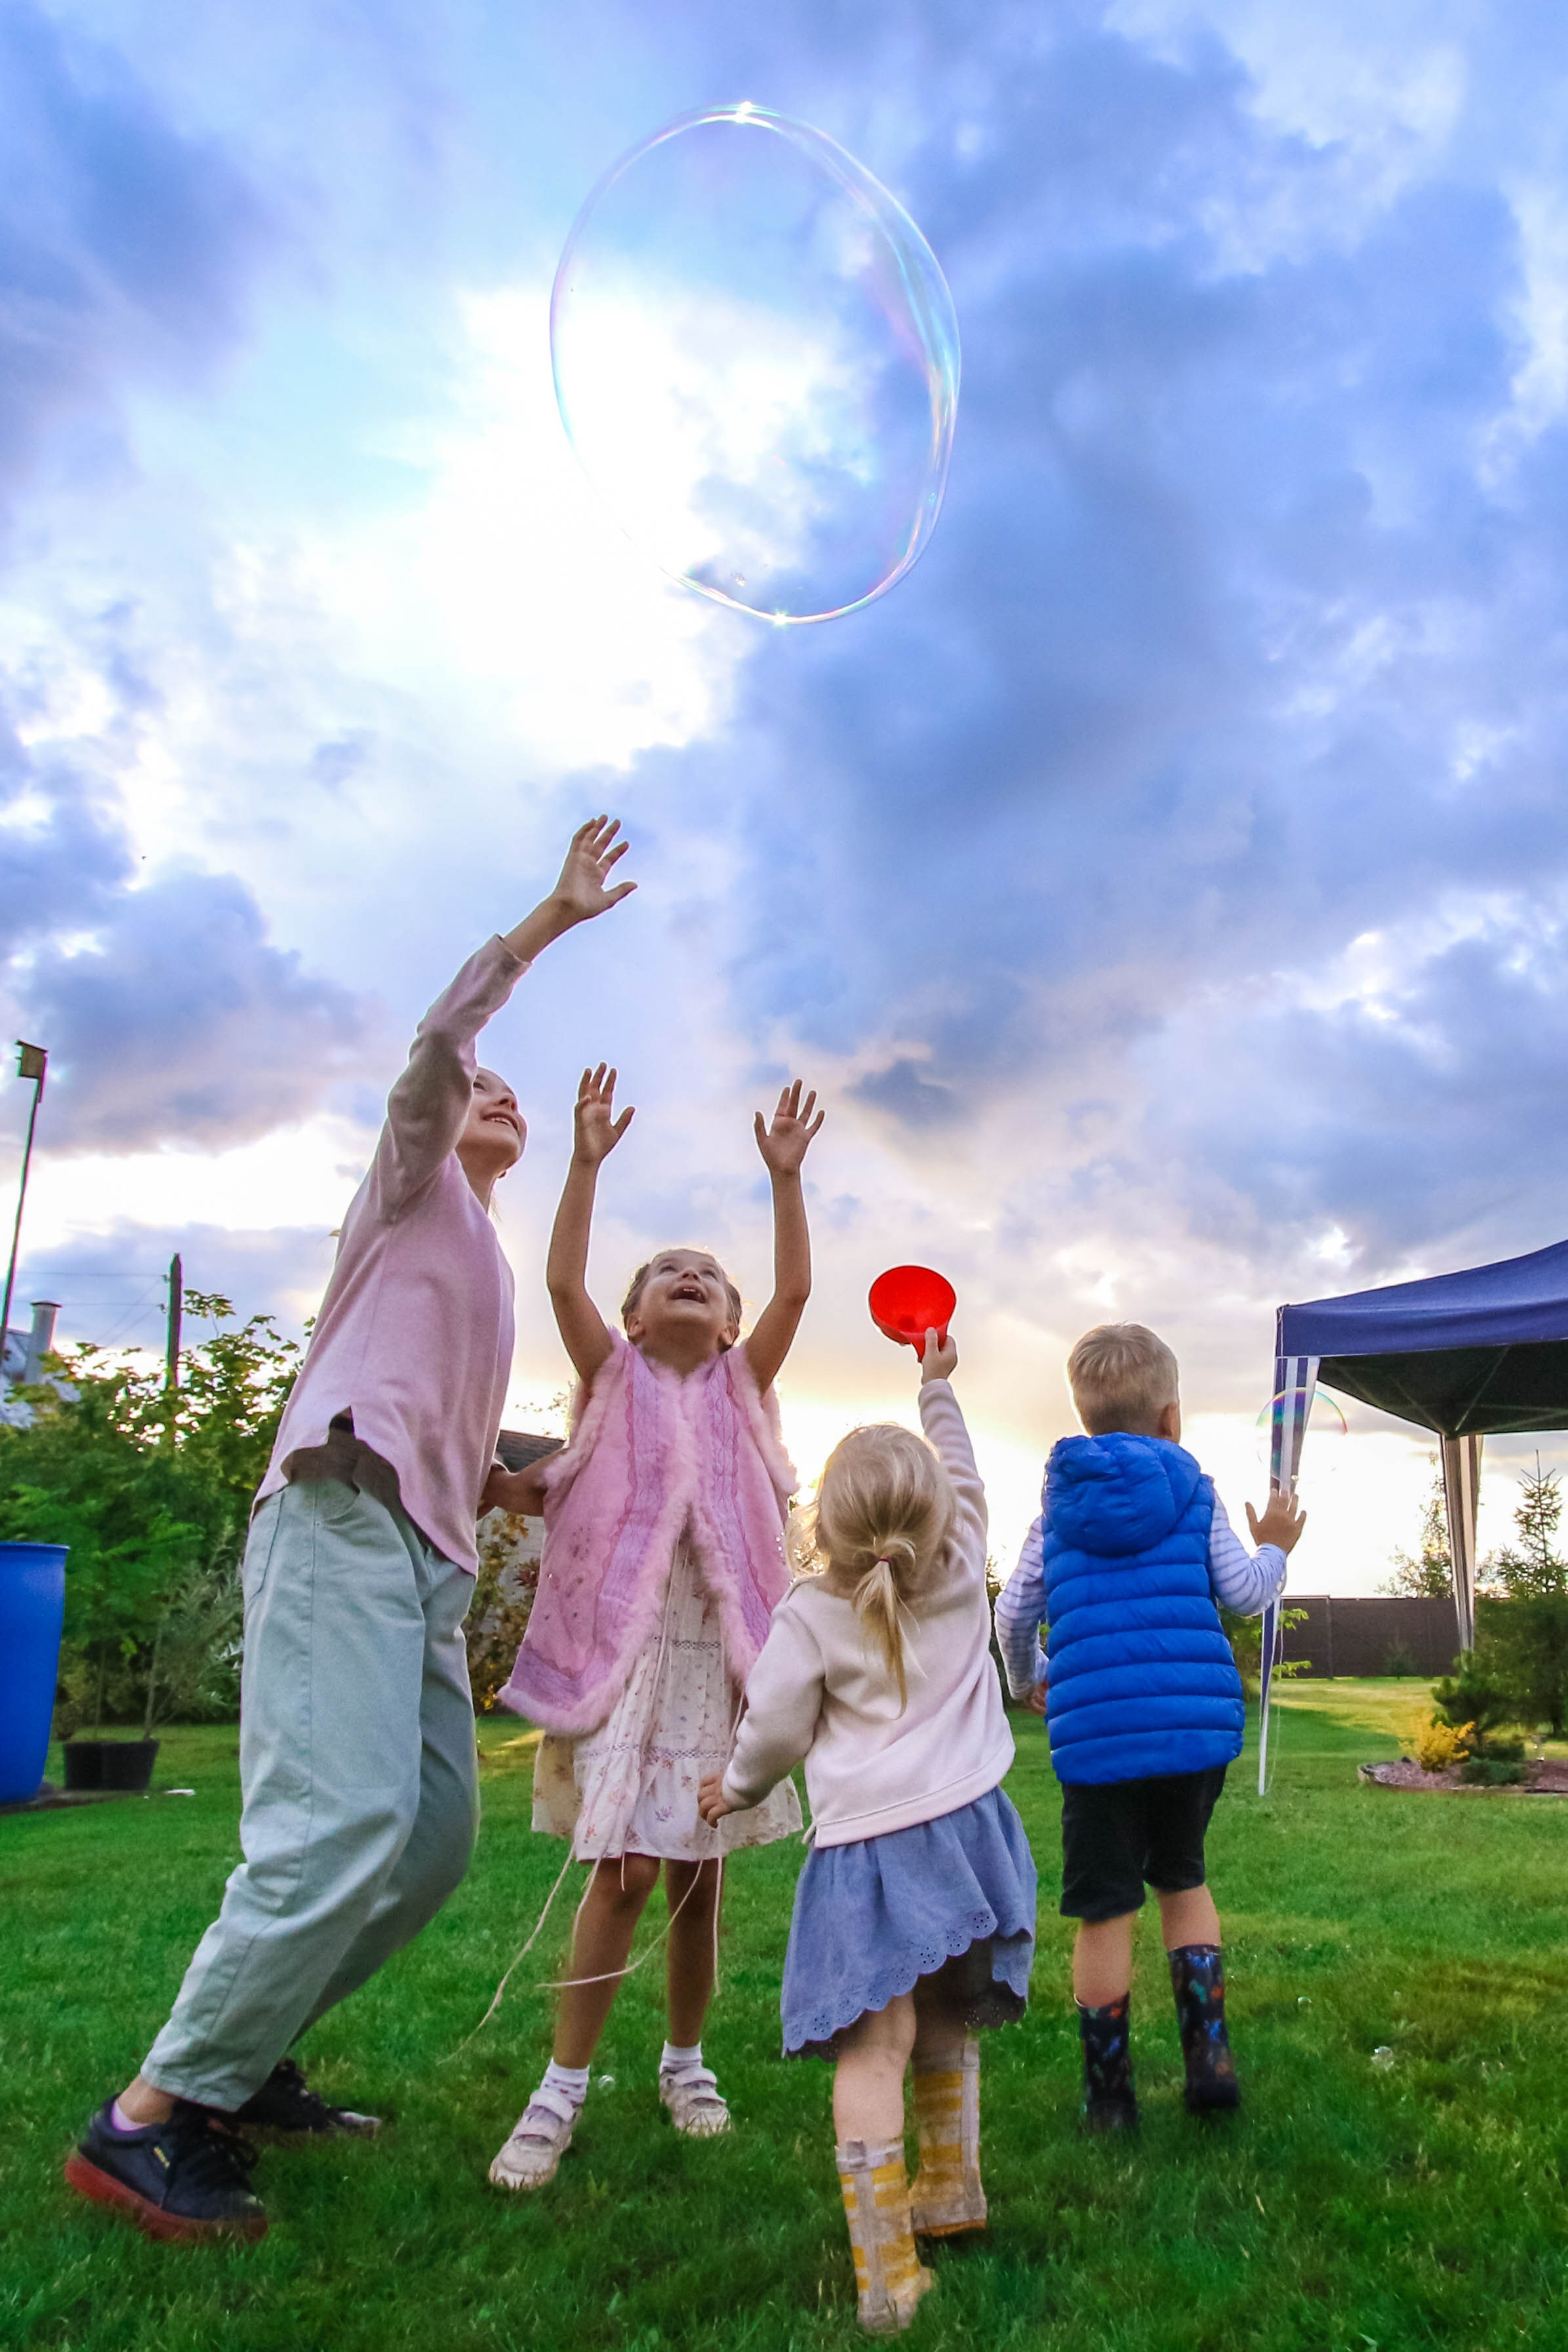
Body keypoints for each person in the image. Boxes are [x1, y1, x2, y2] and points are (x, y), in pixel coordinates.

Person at [64, 817, 637, 2244]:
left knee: (431, 1841)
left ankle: (243, 2063)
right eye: (483, 1092)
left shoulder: (480, 1255)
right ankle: (146, 2116)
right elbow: (439, 1045)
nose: (491, 1097)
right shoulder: (411, 1183)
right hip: (341, 1516)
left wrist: (521, 1485)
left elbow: (444, 1418)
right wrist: (546, 922)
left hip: (427, 1557)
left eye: (504, 1097)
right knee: (337, 1827)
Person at [488, 1064, 823, 2191]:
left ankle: (686, 2063)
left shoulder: (741, 1386)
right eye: (668, 1275)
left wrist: (785, 1181)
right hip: (622, 1661)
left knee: (699, 1877)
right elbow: (560, 1279)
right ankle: (560, 2088)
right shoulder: (612, 1374)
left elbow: (795, 1300)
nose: (690, 1280)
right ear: (635, 1318)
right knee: (623, 1868)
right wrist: (583, 1161)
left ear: (727, 1326)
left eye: (706, 1279)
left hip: (715, 1660)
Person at [699, 1331, 1034, 2338]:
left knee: (872, 2043)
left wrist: (734, 1785)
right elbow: (964, 1470)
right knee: (943, 2016)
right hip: (971, 1834)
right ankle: (949, 2189)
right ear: (937, 1516)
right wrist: (936, 1383)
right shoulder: (964, 1553)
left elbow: (771, 1724)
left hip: (871, 1856)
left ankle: (887, 2271)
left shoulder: (810, 1610)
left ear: (825, 1529)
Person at [994, 1320, 1304, 2132]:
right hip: (1192, 1730)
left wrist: (1032, 1679)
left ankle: (1109, 2098)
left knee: (1104, 1908)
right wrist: (1276, 1547)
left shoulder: (1055, 1511)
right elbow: (1242, 1590)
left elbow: (1014, 1609)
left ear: (1084, 1417)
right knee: (1184, 1878)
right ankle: (1210, 2062)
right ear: (1173, 1416)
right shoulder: (1195, 1493)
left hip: (1097, 1737)